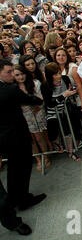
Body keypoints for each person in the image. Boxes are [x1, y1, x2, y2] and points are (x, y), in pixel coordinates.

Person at [0, 59, 47, 213]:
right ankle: (23, 199)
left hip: (5, 138)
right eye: (8, 72)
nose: (12, 74)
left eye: (13, 70)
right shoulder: (9, 89)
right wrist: (39, 100)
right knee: (22, 168)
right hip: (16, 136)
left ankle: (15, 198)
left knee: (13, 170)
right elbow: (31, 99)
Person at [14, 65, 51, 171]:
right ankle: (38, 159)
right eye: (17, 75)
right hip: (23, 116)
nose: (21, 77)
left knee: (40, 137)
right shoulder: (13, 88)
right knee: (31, 140)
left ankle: (46, 157)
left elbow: (42, 99)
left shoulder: (35, 83)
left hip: (38, 113)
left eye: (22, 74)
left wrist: (38, 107)